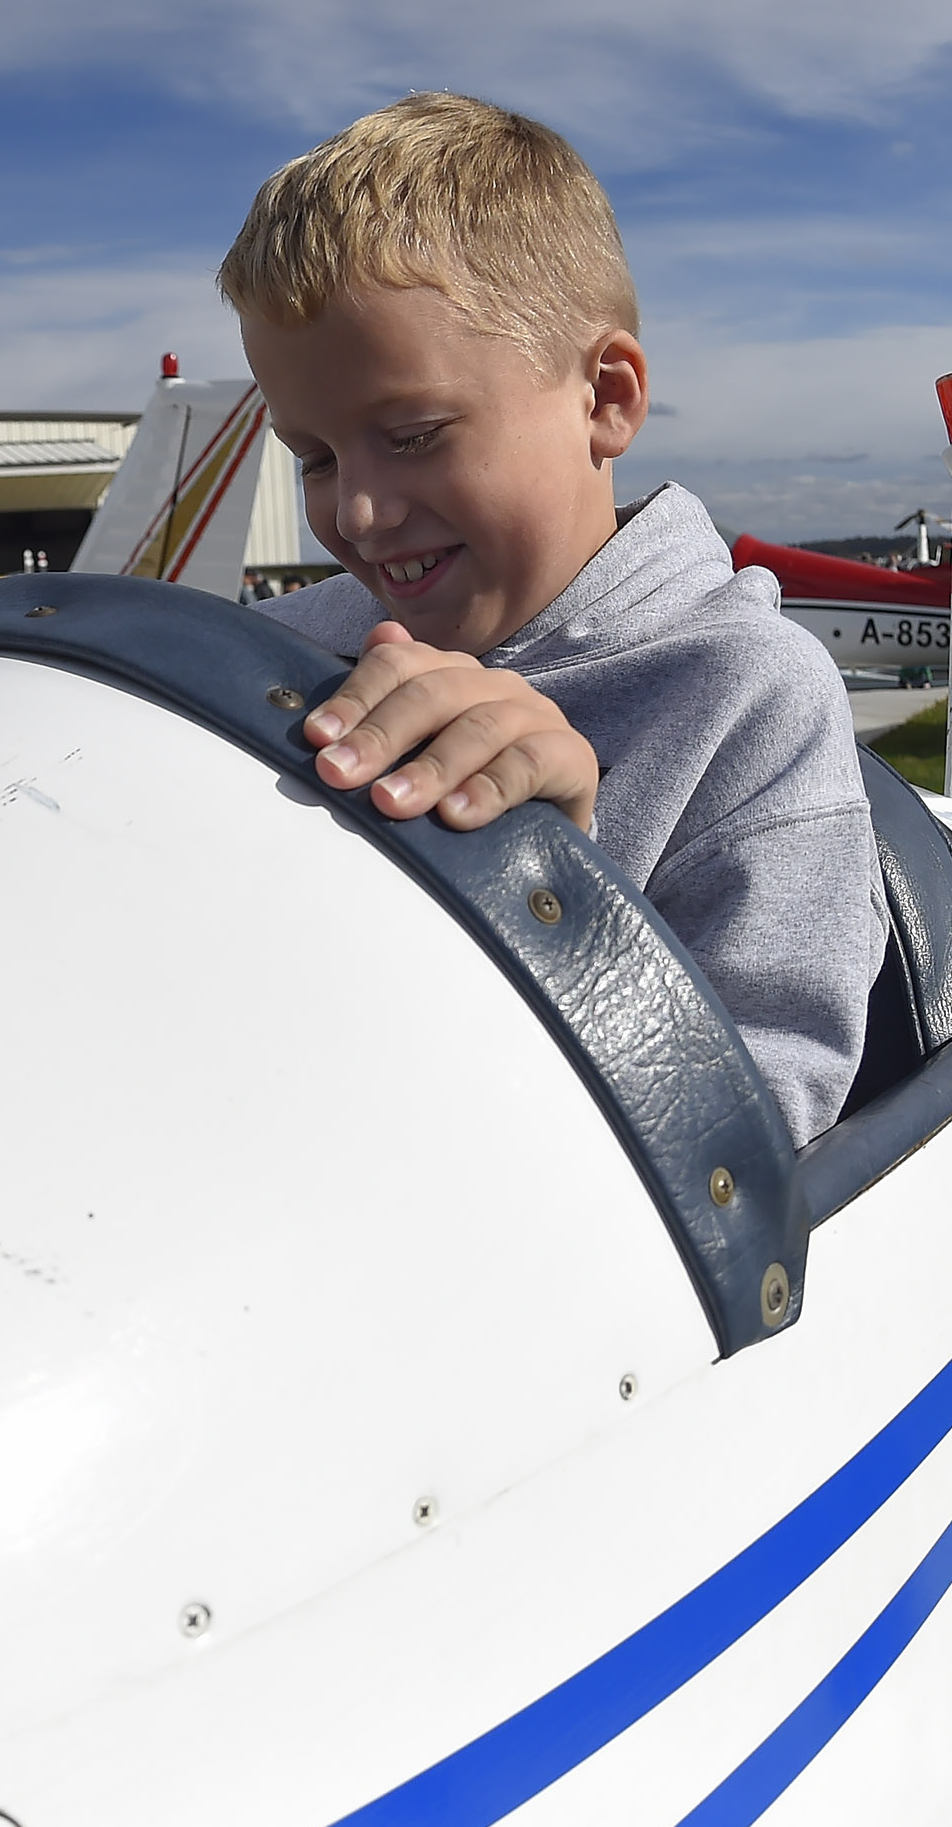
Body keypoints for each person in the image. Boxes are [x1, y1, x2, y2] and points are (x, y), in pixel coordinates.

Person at [225, 93, 883, 1138]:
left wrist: (554, 886)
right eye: (312, 457)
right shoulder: (282, 650)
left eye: (412, 433)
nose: (351, 510)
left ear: (606, 399)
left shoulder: (746, 697)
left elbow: (751, 1134)